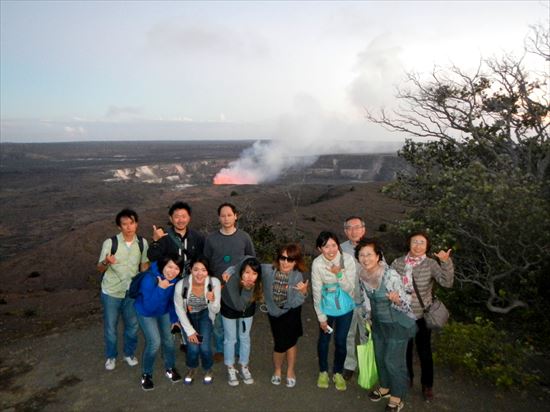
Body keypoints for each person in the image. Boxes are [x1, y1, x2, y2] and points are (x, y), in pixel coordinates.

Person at [391, 231, 454, 402]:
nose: (418, 246)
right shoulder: (398, 263)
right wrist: (392, 294)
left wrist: (446, 262)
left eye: (422, 242)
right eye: (414, 242)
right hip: (402, 314)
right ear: (408, 243)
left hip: (421, 316)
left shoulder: (431, 264)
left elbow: (447, 283)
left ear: (427, 246)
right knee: (405, 350)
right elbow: (389, 282)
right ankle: (407, 378)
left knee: (424, 351)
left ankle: (427, 385)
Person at [356, 238, 417, 412]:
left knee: (393, 361)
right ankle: (385, 388)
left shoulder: (389, 275)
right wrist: (368, 315)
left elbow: (407, 302)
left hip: (397, 323)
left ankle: (398, 397)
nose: (365, 258)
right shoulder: (363, 274)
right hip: (378, 324)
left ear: (378, 256)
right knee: (380, 357)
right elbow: (366, 298)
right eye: (361, 255)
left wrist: (398, 301)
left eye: (369, 254)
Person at [97, 208, 149, 371]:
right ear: (119, 227)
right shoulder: (110, 243)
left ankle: (129, 354)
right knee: (111, 327)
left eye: (131, 223)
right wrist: (106, 262)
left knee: (132, 326)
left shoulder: (142, 243)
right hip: (112, 291)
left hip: (131, 292)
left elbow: (144, 265)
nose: (128, 227)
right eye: (124, 224)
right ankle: (111, 356)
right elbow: (99, 268)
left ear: (136, 224)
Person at [203, 202, 256, 362]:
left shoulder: (244, 237)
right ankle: (220, 348)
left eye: (229, 215)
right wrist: (210, 284)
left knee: (240, 320)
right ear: (219, 218)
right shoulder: (211, 239)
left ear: (235, 216)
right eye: (223, 215)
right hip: (218, 287)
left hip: (240, 288)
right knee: (218, 320)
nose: (226, 218)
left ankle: (240, 351)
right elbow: (205, 262)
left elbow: (252, 260)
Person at [311, 231, 356, 391]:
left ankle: (337, 372)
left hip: (345, 307)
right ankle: (323, 371)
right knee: (324, 340)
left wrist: (339, 273)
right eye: (326, 246)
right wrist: (321, 318)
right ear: (319, 248)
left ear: (338, 245)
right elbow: (316, 292)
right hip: (326, 307)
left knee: (340, 341)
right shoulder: (317, 264)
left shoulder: (347, 260)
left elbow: (350, 288)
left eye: (334, 245)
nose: (331, 250)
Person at [261, 244, 309, 388]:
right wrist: (231, 270)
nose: (285, 262)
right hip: (274, 314)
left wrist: (303, 293)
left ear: (296, 262)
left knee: (291, 342)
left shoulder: (297, 276)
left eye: (290, 259)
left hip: (291, 313)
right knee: (280, 345)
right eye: (283, 258)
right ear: (278, 258)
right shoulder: (268, 270)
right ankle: (277, 369)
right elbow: (247, 263)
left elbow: (295, 303)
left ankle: (290, 370)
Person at [134, 255, 183, 391]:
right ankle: (147, 374)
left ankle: (170, 368)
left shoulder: (175, 280)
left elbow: (173, 301)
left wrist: (174, 320)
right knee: (154, 342)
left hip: (163, 311)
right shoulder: (149, 279)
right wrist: (161, 288)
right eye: (169, 267)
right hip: (145, 312)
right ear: (163, 266)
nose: (172, 271)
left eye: (176, 268)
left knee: (169, 340)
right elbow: (149, 306)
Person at [174, 257, 221, 385]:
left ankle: (208, 369)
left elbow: (216, 310)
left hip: (205, 314)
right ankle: (192, 368)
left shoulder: (214, 282)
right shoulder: (181, 285)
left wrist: (212, 300)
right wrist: (189, 331)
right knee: (193, 348)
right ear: (190, 270)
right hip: (188, 315)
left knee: (205, 347)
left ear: (208, 271)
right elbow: (179, 310)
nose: (200, 273)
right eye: (196, 270)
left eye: (203, 270)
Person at [220, 256, 263, 386]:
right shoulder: (233, 280)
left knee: (244, 337)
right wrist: (248, 289)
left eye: (254, 273)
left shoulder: (258, 280)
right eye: (247, 272)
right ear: (241, 272)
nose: (250, 277)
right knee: (230, 338)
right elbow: (239, 305)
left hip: (247, 308)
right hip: (229, 306)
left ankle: (244, 365)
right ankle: (230, 367)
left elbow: (273, 268)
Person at [340, 216, 367, 380]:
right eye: (349, 227)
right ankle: (349, 365)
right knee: (348, 334)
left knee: (366, 335)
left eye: (357, 227)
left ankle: (365, 366)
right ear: (345, 231)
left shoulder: (373, 247)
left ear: (364, 229)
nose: (354, 231)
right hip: (348, 300)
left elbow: (383, 270)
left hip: (367, 302)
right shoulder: (340, 249)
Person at [147, 201, 204, 273]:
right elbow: (152, 257)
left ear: (189, 218)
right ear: (171, 219)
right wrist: (155, 241)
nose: (180, 220)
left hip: (190, 278)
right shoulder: (164, 236)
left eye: (184, 217)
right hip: (170, 279)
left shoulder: (197, 237)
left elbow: (201, 259)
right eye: (176, 217)